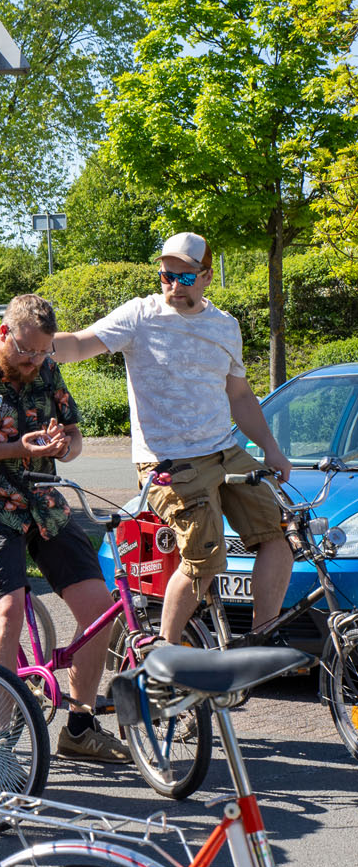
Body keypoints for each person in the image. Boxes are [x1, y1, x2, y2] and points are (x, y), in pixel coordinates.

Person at [50, 231, 293, 645]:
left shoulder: (224, 325)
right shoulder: (139, 316)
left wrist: (271, 449)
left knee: (280, 539)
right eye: (166, 276)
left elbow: (239, 395)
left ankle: (260, 640)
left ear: (206, 277)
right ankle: (162, 650)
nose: (173, 286)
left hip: (225, 451)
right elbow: (78, 345)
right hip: (169, 461)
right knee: (206, 558)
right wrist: (29, 342)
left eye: (184, 278)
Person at [0, 293, 129, 762]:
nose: (36, 361)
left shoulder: (47, 368)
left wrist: (62, 447)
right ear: (4, 334)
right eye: (27, 351)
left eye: (44, 352)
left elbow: (75, 437)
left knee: (100, 608)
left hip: (42, 502)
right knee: (8, 612)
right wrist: (19, 448)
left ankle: (79, 726)